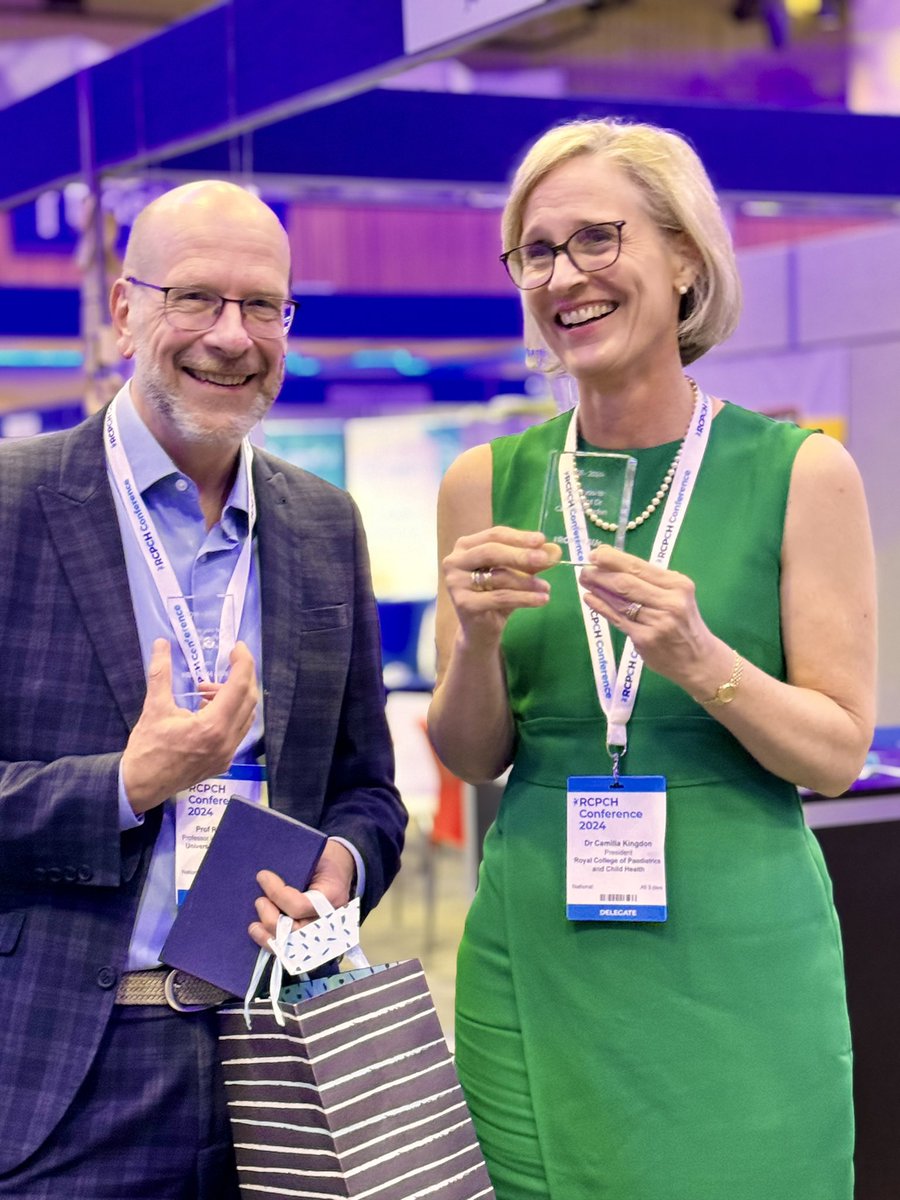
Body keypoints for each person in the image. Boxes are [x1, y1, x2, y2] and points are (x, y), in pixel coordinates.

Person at [427, 118, 876, 1200]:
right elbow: (468, 754)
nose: (564, 276)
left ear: (685, 258)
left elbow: (835, 756)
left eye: (596, 240)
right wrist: (478, 644)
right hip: (538, 949)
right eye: (537, 252)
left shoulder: (802, 474)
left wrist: (697, 654)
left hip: (738, 959)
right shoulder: (483, 481)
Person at [0, 180, 406, 1199]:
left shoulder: (321, 525)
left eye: (262, 305)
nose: (232, 336)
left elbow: (367, 790)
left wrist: (342, 871)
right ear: (125, 309)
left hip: (281, 1045)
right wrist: (127, 785)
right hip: (60, 1072)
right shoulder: (13, 506)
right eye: (196, 299)